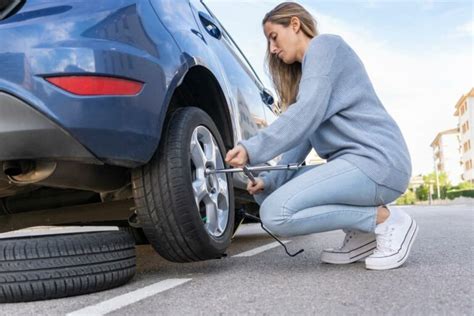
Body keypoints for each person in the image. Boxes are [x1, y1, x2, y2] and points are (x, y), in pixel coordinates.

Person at [224, 2, 418, 270]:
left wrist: (251, 148)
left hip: (378, 161)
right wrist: (269, 181)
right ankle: (363, 235)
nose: (272, 48)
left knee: (274, 215)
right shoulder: (310, 81)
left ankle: (384, 220)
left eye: (273, 37)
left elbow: (304, 116)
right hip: (355, 166)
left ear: (294, 24)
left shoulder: (326, 47)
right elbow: (302, 136)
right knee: (268, 198)